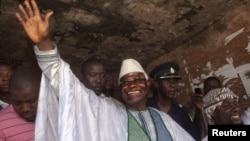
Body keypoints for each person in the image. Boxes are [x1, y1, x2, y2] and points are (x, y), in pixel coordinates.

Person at [16, 0, 195, 140]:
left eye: (137, 79)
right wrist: (43, 42)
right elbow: (66, 84)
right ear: (120, 88)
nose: (132, 85)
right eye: (125, 81)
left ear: (147, 84)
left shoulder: (163, 118)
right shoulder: (106, 111)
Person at [146, 61, 200, 141]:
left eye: (174, 81)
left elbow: (193, 138)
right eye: (167, 81)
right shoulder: (145, 108)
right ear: (156, 84)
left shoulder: (181, 112)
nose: (172, 85)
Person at [0, 68, 41, 141]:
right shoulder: (2, 124)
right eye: (17, 103)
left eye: (31, 101)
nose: (25, 109)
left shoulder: (59, 114)